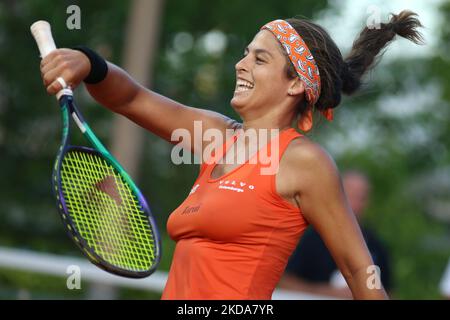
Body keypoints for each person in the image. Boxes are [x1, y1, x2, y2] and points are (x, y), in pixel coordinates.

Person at [39, 10, 423, 299]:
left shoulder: (304, 162)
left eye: (260, 59)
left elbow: (359, 269)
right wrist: (90, 64)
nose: (240, 64)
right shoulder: (216, 137)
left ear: (294, 84)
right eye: (245, 53)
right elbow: (131, 97)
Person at [278, 170, 392, 299]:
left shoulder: (376, 246)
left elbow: (389, 292)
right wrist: (329, 294)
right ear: (337, 196)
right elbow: (284, 281)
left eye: (361, 197)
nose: (355, 204)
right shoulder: (310, 240)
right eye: (350, 195)